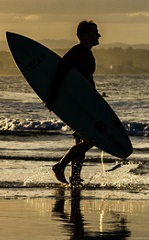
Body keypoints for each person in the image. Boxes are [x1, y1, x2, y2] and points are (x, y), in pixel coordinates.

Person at [49, 20, 102, 185]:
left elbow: (85, 80)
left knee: (81, 140)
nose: (99, 35)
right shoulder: (76, 52)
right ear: (85, 35)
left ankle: (75, 176)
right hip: (78, 104)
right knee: (91, 139)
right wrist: (51, 98)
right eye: (95, 32)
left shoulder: (86, 53)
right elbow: (59, 74)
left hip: (85, 103)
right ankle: (60, 165)